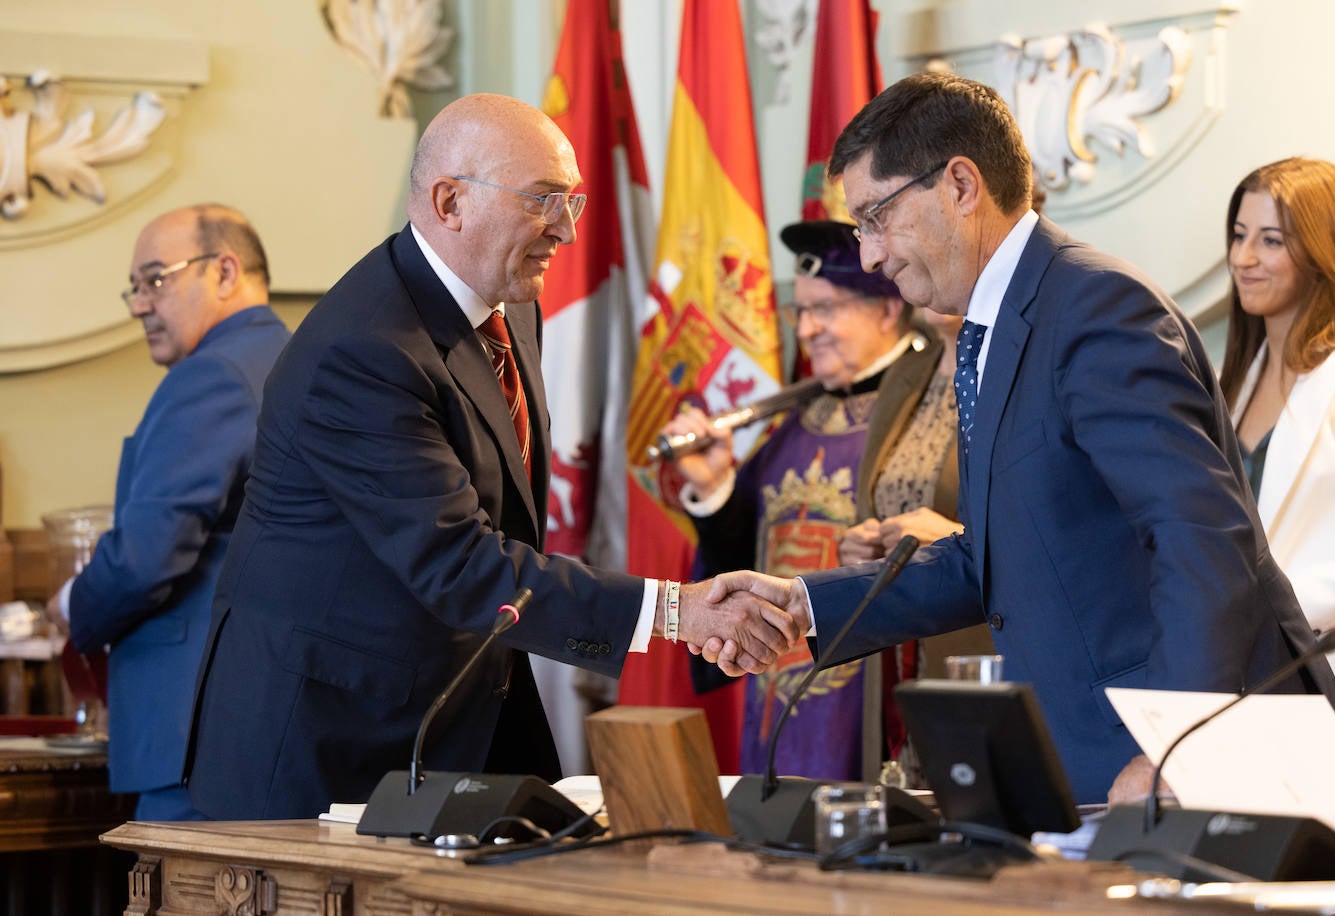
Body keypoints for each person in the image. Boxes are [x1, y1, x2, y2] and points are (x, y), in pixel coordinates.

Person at [700, 72, 1335, 806]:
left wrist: (1177, 744)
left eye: (877, 217)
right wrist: (804, 605)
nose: (873, 255)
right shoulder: (997, 328)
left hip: (1195, 760)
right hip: (1095, 754)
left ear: (960, 185)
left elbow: (1197, 534)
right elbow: (995, 552)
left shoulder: (1098, 309)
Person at [181, 94, 798, 820]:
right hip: (327, 747)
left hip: (462, 705)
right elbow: (459, 564)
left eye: (572, 199)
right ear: (450, 202)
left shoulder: (510, 302)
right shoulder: (364, 350)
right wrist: (675, 611)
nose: (567, 230)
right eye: (543, 199)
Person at [658, 220, 962, 782]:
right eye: (801, 312)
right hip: (781, 700)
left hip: (881, 699)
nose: (809, 329)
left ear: (887, 310)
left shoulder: (933, 399)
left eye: (828, 308)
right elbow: (744, 563)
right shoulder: (794, 424)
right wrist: (715, 486)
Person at [47, 204, 289, 821]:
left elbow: (146, 558)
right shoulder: (291, 362)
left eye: (156, 279)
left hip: (194, 737)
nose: (138, 304)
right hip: (269, 730)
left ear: (225, 271)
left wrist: (71, 606)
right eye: (135, 286)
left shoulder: (211, 377)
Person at [1219, 157, 1335, 758]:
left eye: (1271, 240)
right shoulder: (1232, 383)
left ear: (1323, 252)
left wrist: (1282, 607)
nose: (1244, 258)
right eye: (1238, 235)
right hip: (1250, 683)